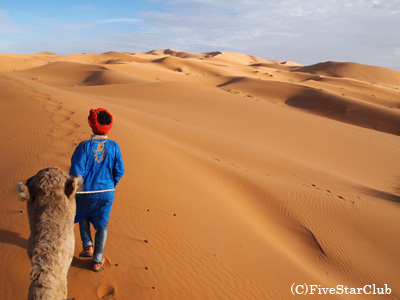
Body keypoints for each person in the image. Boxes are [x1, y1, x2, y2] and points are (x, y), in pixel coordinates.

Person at [69, 108, 124, 272]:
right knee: (102, 225)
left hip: (85, 192)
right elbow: (119, 170)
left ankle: (87, 246)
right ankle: (97, 260)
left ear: (91, 124)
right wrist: (110, 185)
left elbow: (76, 170)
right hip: (106, 193)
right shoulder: (114, 147)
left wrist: (77, 189)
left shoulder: (85, 146)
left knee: (82, 215)